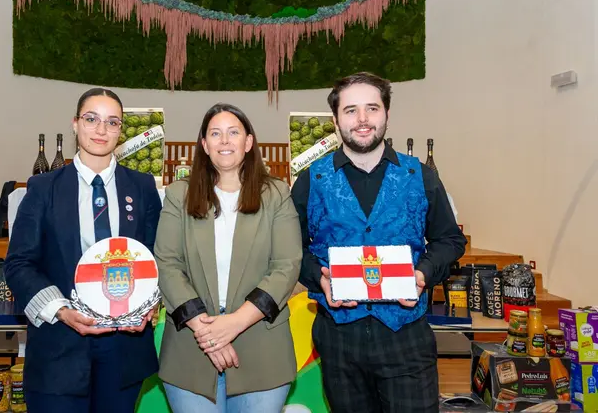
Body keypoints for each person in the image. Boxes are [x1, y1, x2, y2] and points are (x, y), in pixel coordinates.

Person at [290, 72, 467, 413]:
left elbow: (449, 240)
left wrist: (423, 273)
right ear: (336, 119)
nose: (362, 120)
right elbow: (288, 248)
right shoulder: (312, 180)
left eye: (372, 108)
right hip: (339, 337)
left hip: (406, 336)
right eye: (351, 110)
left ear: (386, 113)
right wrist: (319, 277)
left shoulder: (421, 176)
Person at [4, 88, 161, 412]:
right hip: (59, 350)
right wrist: (61, 310)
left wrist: (150, 304)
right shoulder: (43, 188)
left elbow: (157, 257)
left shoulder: (143, 187)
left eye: (112, 122)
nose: (101, 129)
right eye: (92, 119)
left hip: (123, 350)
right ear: (76, 124)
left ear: (121, 130)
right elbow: (19, 264)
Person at [155, 103, 302, 412]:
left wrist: (233, 324)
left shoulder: (276, 195)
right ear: (205, 145)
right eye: (215, 134)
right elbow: (167, 264)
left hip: (262, 346)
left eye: (233, 132)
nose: (225, 141)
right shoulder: (178, 195)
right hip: (191, 349)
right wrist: (207, 332)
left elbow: (285, 267)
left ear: (248, 142)